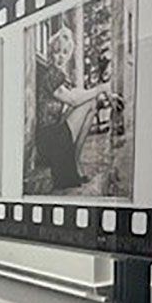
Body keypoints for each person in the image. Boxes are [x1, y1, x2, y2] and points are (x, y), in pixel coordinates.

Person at [33, 23, 122, 190]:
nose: (61, 56)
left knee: (91, 103)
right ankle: (74, 160)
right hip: (48, 139)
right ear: (50, 51)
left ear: (69, 54)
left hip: (54, 132)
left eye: (65, 52)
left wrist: (108, 94)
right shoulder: (51, 74)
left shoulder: (60, 75)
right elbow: (74, 100)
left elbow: (79, 94)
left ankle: (75, 160)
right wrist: (102, 88)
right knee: (88, 102)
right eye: (57, 51)